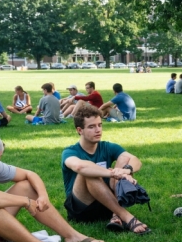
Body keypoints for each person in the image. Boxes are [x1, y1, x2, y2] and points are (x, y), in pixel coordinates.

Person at [61, 101, 151, 235]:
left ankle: (116, 214)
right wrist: (113, 174)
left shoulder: (107, 146)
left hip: (107, 204)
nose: (98, 130)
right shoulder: (70, 152)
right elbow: (79, 166)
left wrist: (126, 171)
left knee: (123, 159)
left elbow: (135, 160)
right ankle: (127, 217)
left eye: (100, 125)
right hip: (82, 209)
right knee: (88, 172)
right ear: (80, 130)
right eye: (91, 127)